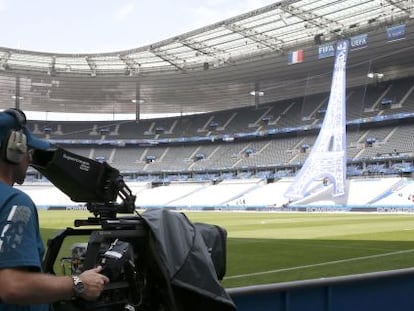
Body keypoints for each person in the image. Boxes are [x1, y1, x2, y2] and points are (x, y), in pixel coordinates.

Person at [0, 108, 109, 311]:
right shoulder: (15, 201)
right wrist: (78, 283)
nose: (30, 160)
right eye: (28, 151)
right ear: (13, 149)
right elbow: (11, 285)